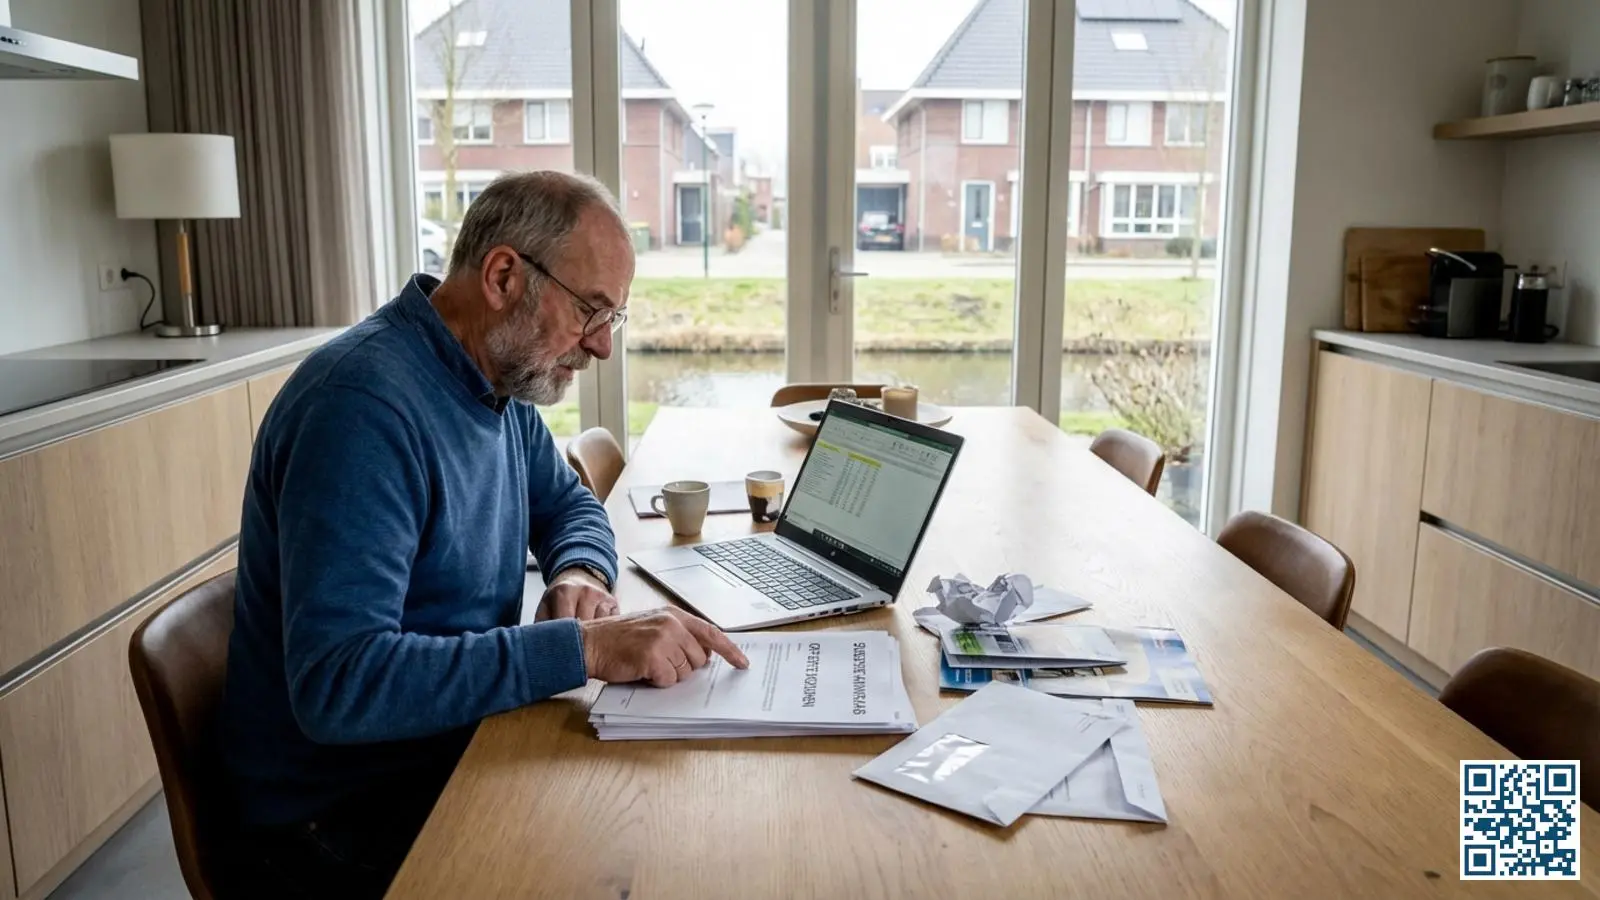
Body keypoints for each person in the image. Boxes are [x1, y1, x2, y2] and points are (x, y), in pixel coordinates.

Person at [217, 171, 749, 899]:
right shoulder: (361, 411)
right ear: (503, 274)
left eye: (613, 319)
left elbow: (572, 508)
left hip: (448, 747)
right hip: (335, 819)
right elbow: (339, 684)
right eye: (590, 311)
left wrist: (580, 575)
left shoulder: (492, 385)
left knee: (681, 824)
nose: (600, 347)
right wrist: (585, 647)